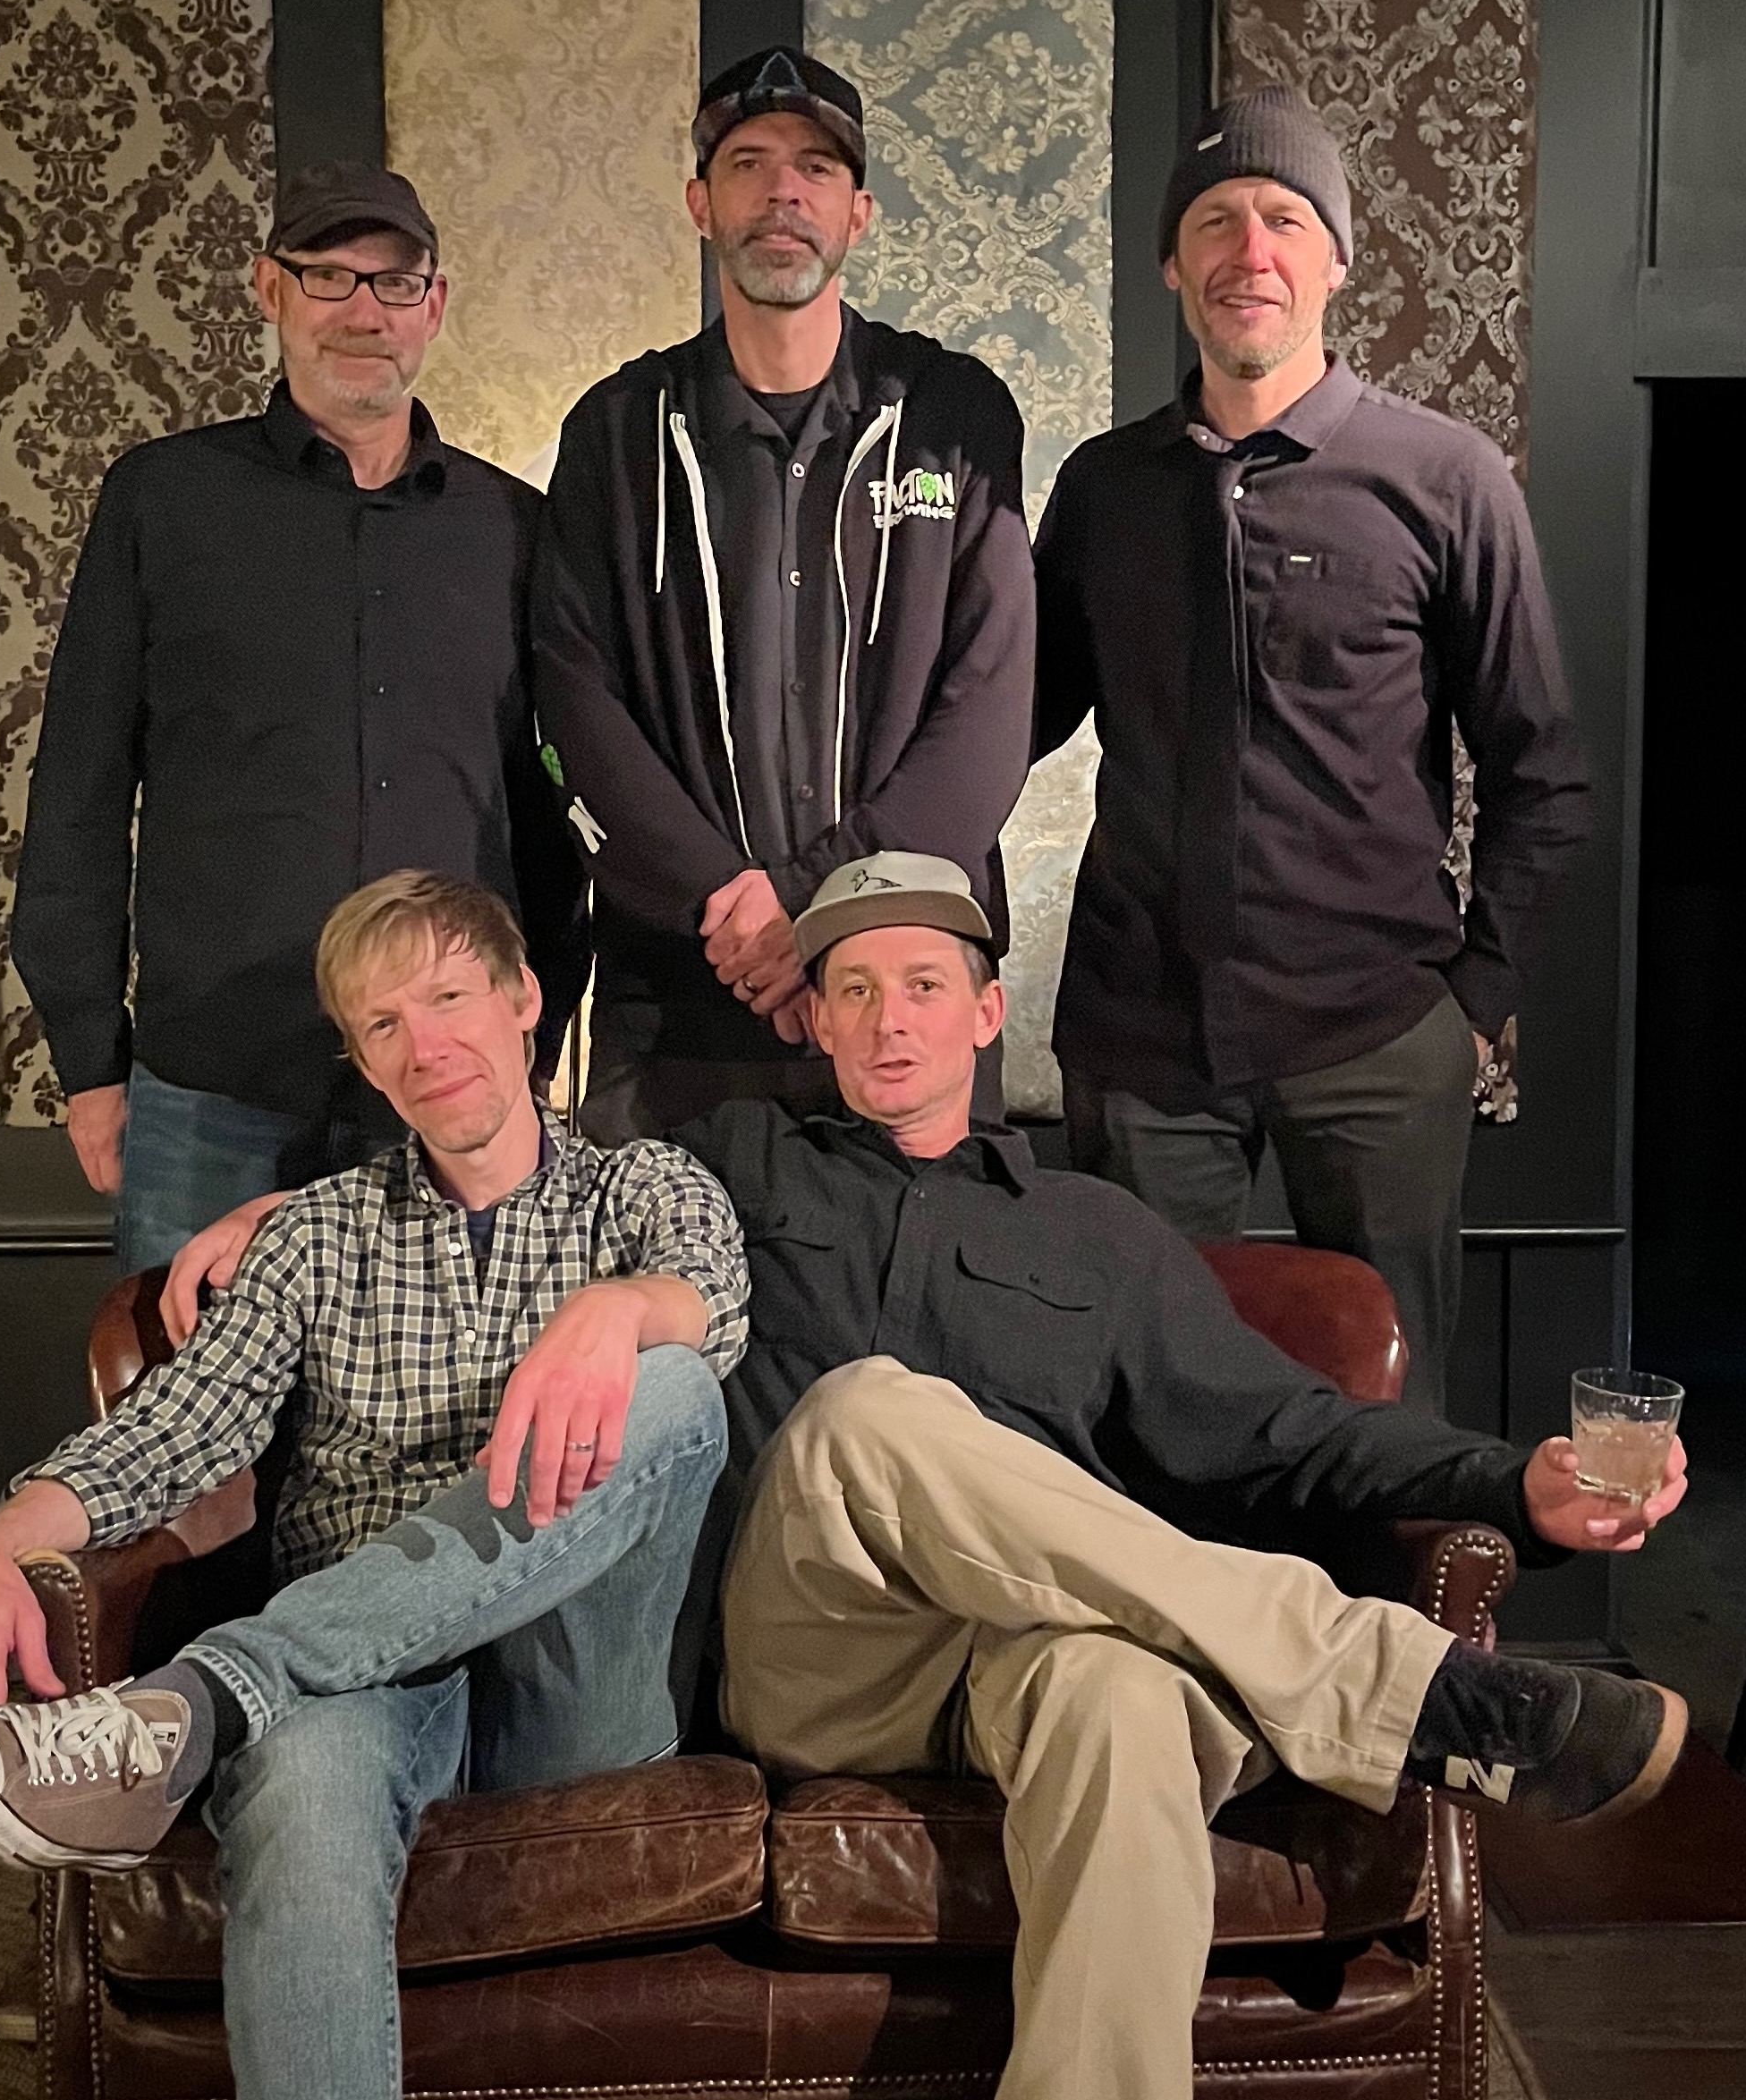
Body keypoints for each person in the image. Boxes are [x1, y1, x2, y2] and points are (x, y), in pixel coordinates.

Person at [674, 851, 1687, 2100]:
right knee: (865, 1411)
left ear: (985, 1014)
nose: (891, 1020)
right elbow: (551, 1205)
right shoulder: (732, 1165)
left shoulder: (1099, 1233)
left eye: (924, 984)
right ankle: (1394, 1686)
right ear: (817, 1020)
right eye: (856, 989)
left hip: (1020, 1659)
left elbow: (1290, 1428)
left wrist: (1512, 1484)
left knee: (1124, 1694)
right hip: (822, 1653)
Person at [0, 871, 746, 2100]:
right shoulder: (315, 1236)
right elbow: (173, 1433)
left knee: (672, 1384)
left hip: (576, 1682)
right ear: (362, 1061)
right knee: (298, 1774)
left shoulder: (645, 1189)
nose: (425, 1045)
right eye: (383, 1023)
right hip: (363, 1683)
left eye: (449, 997)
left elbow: (712, 1295)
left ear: (523, 999)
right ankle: (247, 1698)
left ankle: (207, 1694)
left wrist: (619, 1310)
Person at [1031, 88, 1590, 1413]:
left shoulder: (1445, 479)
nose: (1251, 251)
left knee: (1388, 1420)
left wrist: (1472, 1001)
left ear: (1336, 259)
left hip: (1376, 1032)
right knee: (1145, 1405)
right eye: (1216, 221)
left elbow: (1541, 770)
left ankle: (1384, 1578)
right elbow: (1016, 716)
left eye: (1285, 220)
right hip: (1141, 1036)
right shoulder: (1103, 488)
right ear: (1172, 266)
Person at [13, 160, 587, 1272]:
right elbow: (79, 787)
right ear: (269, 290)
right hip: (213, 1085)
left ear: (435, 306)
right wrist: (88, 1056)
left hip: (446, 1082)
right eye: (329, 277)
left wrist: (538, 1025)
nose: (364, 312)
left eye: (395, 282)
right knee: (196, 1380)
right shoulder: (163, 501)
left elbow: (547, 813)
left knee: (447, 1384)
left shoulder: (513, 529)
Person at [533, 47, 1035, 1140]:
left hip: (901, 999)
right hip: (678, 1002)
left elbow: (990, 714)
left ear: (858, 214)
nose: (782, 193)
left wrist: (812, 903)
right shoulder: (616, 430)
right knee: (665, 1263)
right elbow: (574, 700)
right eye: (748, 164)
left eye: (815, 168)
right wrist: (728, 903)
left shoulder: (955, 416)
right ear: (700, 204)